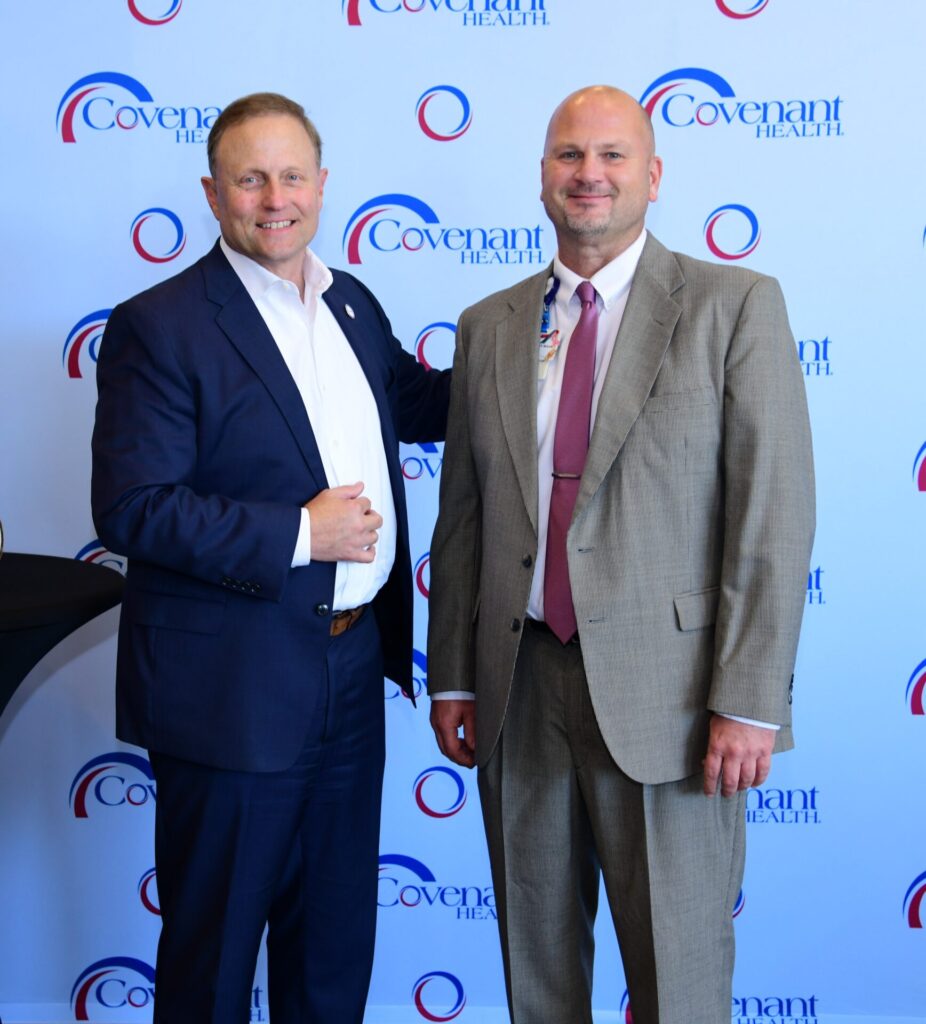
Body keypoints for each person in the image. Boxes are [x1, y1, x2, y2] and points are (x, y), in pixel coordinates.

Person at [427, 85, 814, 1024]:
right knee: (537, 971)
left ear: (653, 174)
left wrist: (749, 700)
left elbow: (773, 512)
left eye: (610, 156)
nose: (588, 175)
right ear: (543, 177)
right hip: (519, 692)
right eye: (568, 156)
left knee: (677, 979)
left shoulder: (734, 307)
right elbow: (466, 515)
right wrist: (452, 679)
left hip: (675, 706)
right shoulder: (490, 325)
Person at [91, 92, 449, 1024]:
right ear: (213, 194)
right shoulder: (160, 325)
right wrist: (301, 534)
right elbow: (133, 506)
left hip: (349, 668)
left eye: (292, 176)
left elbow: (419, 404)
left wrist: (554, 346)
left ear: (323, 186)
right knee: (213, 961)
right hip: (230, 690)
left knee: (332, 952)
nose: (274, 197)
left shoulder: (353, 303)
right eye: (250, 179)